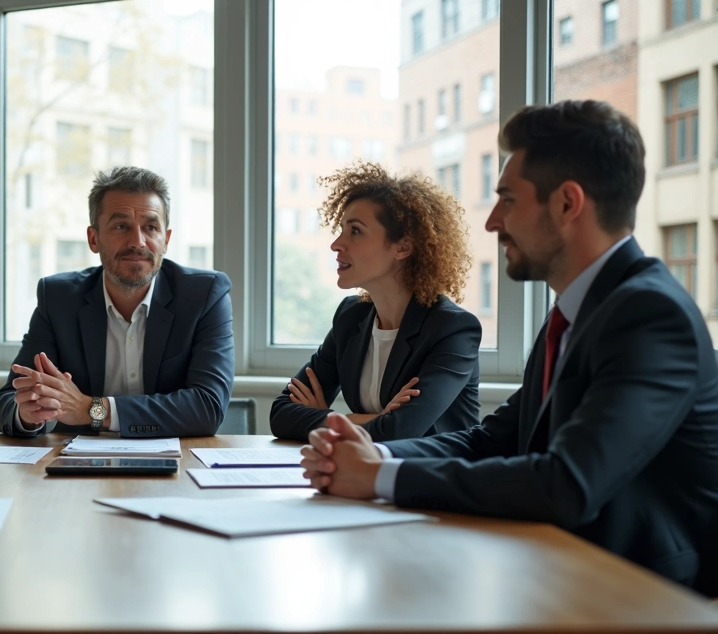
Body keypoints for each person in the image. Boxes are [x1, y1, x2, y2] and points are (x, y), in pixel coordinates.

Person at [300, 100, 718, 596]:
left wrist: (380, 478)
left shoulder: (649, 316)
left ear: (567, 204)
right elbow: (490, 440)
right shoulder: (573, 313)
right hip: (564, 572)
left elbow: (566, 484)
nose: (492, 221)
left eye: (507, 200)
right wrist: (372, 451)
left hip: (646, 596)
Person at [0, 166, 233, 437]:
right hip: (78, 468)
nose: (138, 242)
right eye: (121, 226)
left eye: (151, 227)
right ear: (93, 239)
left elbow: (207, 408)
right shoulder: (59, 298)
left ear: (165, 240)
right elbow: (7, 401)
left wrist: (92, 410)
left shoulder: (204, 295)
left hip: (177, 464)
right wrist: (29, 413)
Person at [271, 162, 480, 442]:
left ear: (403, 247)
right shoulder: (351, 317)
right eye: (342, 229)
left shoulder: (452, 329)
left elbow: (401, 432)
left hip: (432, 481)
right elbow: (281, 415)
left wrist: (326, 419)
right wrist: (377, 420)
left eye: (355, 231)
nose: (336, 244)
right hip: (362, 477)